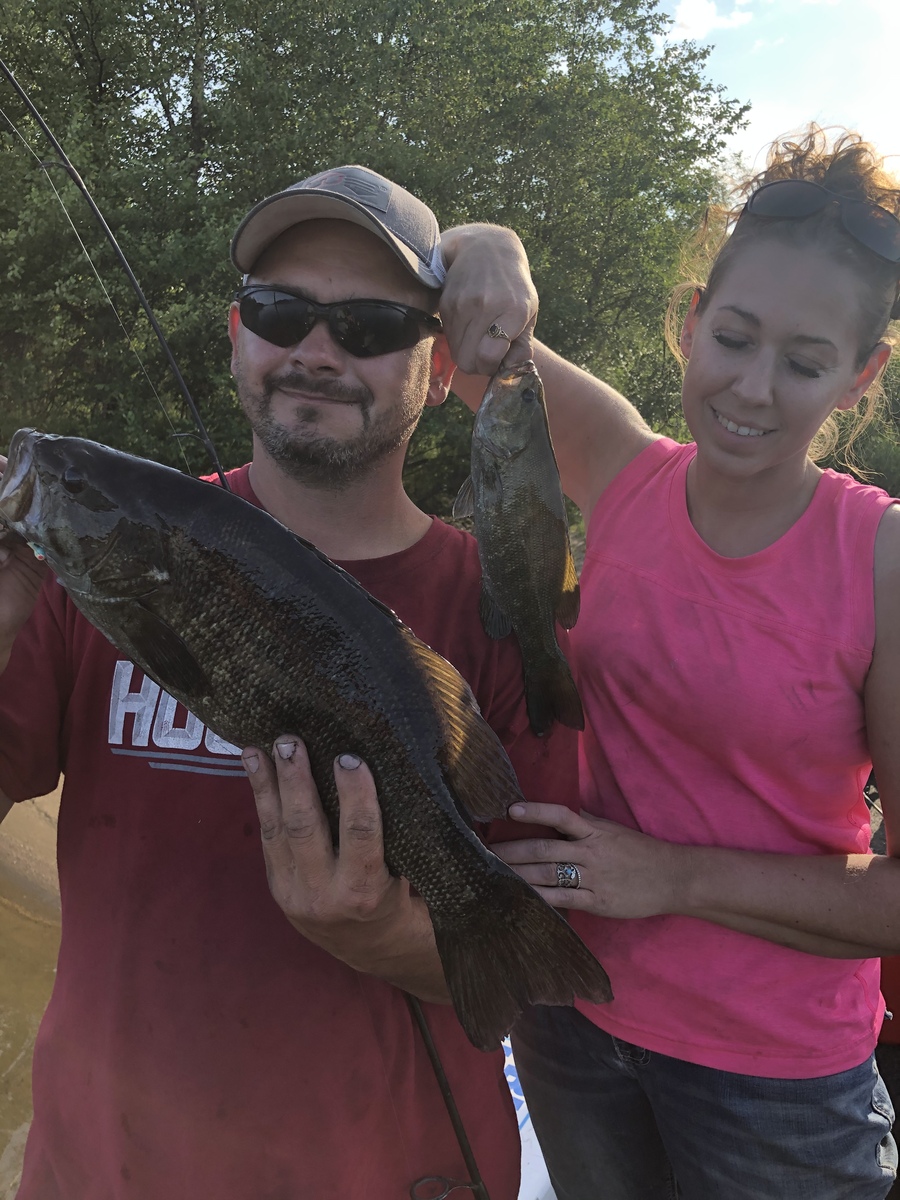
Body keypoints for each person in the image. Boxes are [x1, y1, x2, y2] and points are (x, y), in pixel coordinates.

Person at [0, 166, 576, 1199]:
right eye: (280, 311)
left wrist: (390, 936)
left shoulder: (500, 609)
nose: (317, 349)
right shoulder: (95, 570)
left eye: (368, 326)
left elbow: (556, 976)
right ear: (236, 335)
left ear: (438, 368)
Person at [440, 126, 900, 1198]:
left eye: (804, 362)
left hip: (778, 1080)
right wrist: (493, 241)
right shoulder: (624, 466)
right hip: (573, 1013)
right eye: (733, 337)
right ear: (691, 323)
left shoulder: (879, 559)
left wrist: (671, 878)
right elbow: (464, 316)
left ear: (861, 375)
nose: (750, 388)